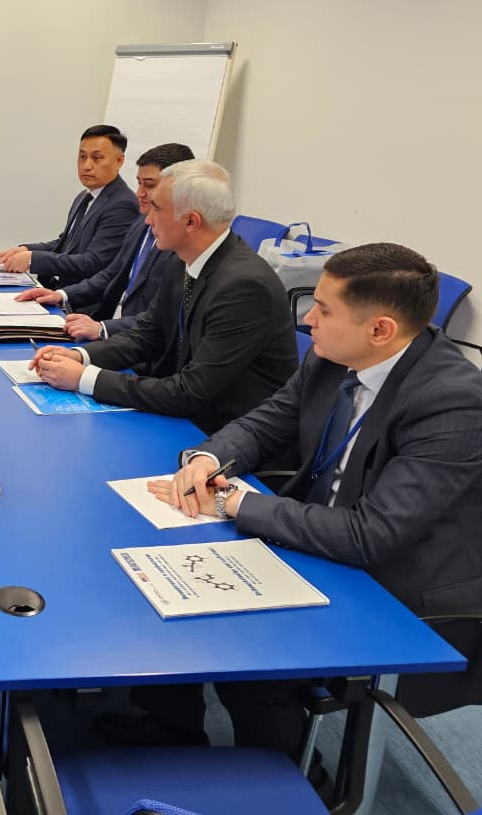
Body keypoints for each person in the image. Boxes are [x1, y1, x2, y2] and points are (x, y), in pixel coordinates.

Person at [97, 243, 482, 772]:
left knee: (251, 652)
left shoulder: (452, 400)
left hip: (394, 582)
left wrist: (234, 501)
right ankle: (172, 726)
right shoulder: (334, 358)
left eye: (324, 309)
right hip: (320, 535)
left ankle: (297, 776)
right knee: (167, 562)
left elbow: (371, 535)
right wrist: (207, 460)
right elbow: (264, 423)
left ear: (380, 330)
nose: (307, 321)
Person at [30, 160, 297, 436]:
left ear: (191, 221)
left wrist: (84, 379)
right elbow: (148, 334)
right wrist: (80, 356)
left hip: (224, 434)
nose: (147, 219)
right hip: (186, 415)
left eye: (157, 208)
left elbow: (191, 392)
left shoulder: (244, 287)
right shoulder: (181, 259)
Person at [16, 143, 193, 365]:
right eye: (139, 183)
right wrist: (61, 295)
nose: (139, 193)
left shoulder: (180, 244)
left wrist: (103, 329)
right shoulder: (141, 224)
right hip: (110, 334)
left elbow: (161, 320)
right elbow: (111, 274)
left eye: (149, 185)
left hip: (139, 351)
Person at [0, 124, 140, 288]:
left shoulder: (122, 205)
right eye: (82, 157)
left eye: (97, 158)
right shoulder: (84, 196)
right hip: (52, 287)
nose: (87, 165)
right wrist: (26, 249)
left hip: (80, 297)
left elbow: (93, 262)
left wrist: (32, 259)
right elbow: (65, 245)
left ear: (119, 161)